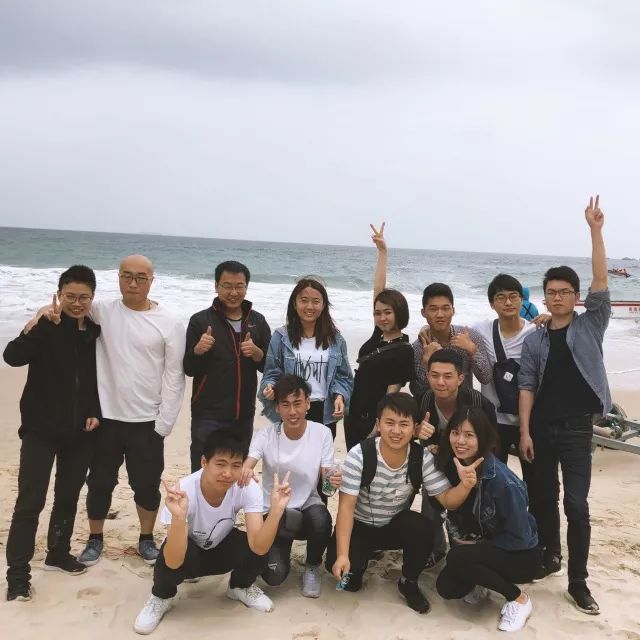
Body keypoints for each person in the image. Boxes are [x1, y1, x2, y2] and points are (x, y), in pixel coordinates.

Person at [519, 195, 610, 615]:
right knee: (543, 497)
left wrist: (595, 231)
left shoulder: (591, 324)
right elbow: (527, 386)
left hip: (576, 429)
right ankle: (550, 555)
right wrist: (524, 431)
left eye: (564, 292)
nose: (556, 298)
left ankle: (578, 582)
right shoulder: (535, 339)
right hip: (540, 428)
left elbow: (600, 279)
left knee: (576, 504)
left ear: (575, 296)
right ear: (544, 297)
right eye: (551, 293)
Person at [326, 393, 482, 614]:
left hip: (393, 525)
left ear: (415, 428)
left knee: (423, 527)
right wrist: (343, 555)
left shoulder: (421, 458)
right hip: (359, 526)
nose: (396, 431)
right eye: (389, 423)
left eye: (404, 424)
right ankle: (359, 564)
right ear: (378, 424)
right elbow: (345, 508)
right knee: (344, 577)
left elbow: (449, 501)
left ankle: (408, 581)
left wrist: (465, 485)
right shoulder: (360, 455)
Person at [75, 255, 186, 566]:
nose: (133, 283)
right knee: (99, 482)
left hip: (147, 422)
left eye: (140, 277)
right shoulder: (102, 311)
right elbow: (71, 306)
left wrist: (164, 423)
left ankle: (146, 538)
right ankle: (95, 538)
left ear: (152, 280)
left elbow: (174, 375)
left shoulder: (169, 322)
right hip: (106, 419)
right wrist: (43, 312)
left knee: (146, 486)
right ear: (118, 277)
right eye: (127, 276)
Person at [3, 266, 101, 602]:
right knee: (30, 502)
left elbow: (96, 379)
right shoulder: (46, 325)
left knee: (68, 497)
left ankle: (58, 553)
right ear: (59, 295)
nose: (77, 303)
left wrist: (94, 411)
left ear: (92, 298)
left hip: (80, 433)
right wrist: (41, 325)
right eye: (70, 296)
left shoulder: (95, 332)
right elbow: (12, 357)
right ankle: (18, 576)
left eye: (83, 297)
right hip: (40, 430)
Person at [133, 431, 291, 635]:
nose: (228, 473)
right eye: (221, 464)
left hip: (220, 549)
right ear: (204, 462)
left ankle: (240, 587)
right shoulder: (184, 490)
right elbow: (173, 560)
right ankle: (161, 597)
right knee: (169, 555)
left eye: (236, 465)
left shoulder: (247, 488)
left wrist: (276, 510)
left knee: (253, 542)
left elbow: (259, 547)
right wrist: (179, 517)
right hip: (187, 557)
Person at [435, 407, 541, 633]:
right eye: (455, 433)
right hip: (486, 547)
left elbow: (521, 537)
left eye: (469, 435)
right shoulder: (454, 465)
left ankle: (518, 599)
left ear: (482, 438)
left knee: (457, 557)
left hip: (521, 554)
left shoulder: (502, 481)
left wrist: (477, 546)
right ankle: (482, 580)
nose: (460, 441)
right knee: (447, 587)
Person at [240, 375, 338, 598]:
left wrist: (333, 480)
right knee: (274, 577)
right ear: (277, 408)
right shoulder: (266, 435)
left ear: (308, 403)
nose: (292, 411)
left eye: (297, 403)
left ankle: (312, 566)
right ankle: (277, 550)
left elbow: (327, 478)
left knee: (322, 519)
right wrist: (246, 470)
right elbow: (249, 463)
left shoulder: (321, 433)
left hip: (306, 507)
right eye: (285, 405)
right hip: (275, 512)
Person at [183, 260, 271, 470]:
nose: (233, 292)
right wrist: (198, 350)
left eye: (239, 286)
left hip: (243, 414)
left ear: (246, 287)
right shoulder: (200, 321)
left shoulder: (257, 321)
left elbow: (269, 367)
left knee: (235, 471)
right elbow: (189, 368)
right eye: (227, 286)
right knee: (203, 470)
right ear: (216, 286)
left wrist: (257, 353)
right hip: (208, 414)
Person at [417, 348, 497, 563]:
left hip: (472, 466)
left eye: (448, 376)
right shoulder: (424, 400)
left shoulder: (478, 403)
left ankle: (465, 550)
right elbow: (409, 433)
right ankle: (435, 549)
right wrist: (417, 432)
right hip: (439, 464)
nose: (440, 382)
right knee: (431, 504)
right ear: (427, 376)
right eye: (434, 375)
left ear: (460, 378)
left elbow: (492, 442)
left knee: (469, 513)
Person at [344, 223, 415, 450]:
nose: (382, 317)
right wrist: (382, 253)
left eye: (387, 312)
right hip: (353, 414)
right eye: (377, 313)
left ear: (399, 312)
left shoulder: (404, 350)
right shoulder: (378, 335)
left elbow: (391, 392)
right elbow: (378, 289)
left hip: (372, 422)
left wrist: (377, 428)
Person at [259, 277, 353, 442]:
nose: (309, 306)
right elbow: (272, 372)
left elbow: (343, 376)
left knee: (321, 456)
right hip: (292, 407)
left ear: (323, 305)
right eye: (304, 300)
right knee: (290, 453)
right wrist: (270, 387)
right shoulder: (281, 337)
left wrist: (340, 396)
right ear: (294, 304)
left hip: (324, 409)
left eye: (316, 301)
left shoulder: (336, 339)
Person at [473, 274, 536, 477]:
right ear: (492, 304)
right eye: (501, 297)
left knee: (535, 480)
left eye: (513, 296)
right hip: (494, 421)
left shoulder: (536, 332)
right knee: (493, 478)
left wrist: (551, 318)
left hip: (529, 420)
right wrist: (426, 327)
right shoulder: (481, 330)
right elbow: (451, 332)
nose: (508, 302)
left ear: (522, 300)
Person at [410, 283, 491, 403]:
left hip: (466, 407)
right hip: (432, 409)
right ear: (423, 312)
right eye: (433, 309)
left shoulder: (469, 336)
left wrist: (473, 351)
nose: (440, 315)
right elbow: (417, 392)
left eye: (445, 308)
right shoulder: (419, 347)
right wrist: (426, 365)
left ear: (453, 310)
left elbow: (486, 378)